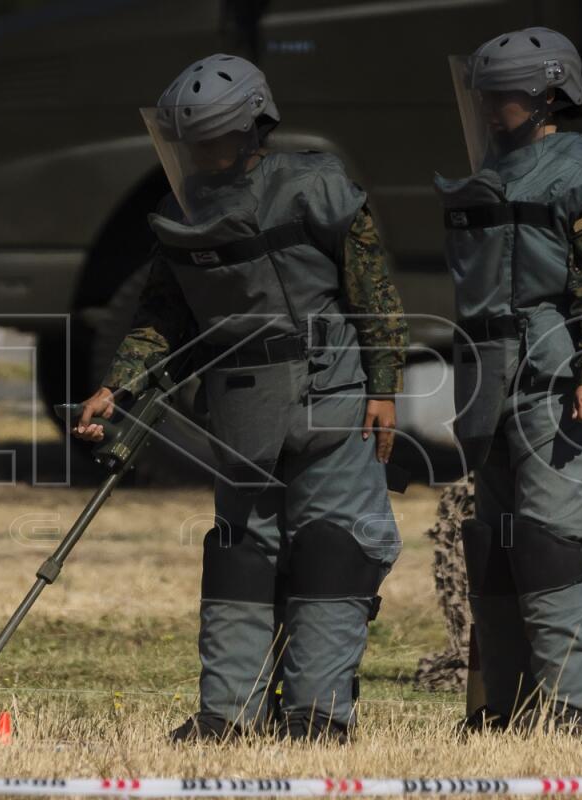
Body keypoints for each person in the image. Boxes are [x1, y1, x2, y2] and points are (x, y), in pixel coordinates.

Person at [73, 53, 409, 742]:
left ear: (251, 130)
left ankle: (317, 717)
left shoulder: (319, 187)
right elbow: (161, 316)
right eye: (186, 140)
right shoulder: (181, 213)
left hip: (332, 398)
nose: (195, 153)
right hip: (241, 411)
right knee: (239, 554)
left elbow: (373, 294)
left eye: (210, 139)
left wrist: (385, 389)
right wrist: (119, 383)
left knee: (330, 548)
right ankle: (227, 715)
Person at [434, 28, 582, 734]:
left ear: (551, 93)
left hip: (556, 384)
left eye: (509, 96)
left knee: (554, 542)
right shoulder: (487, 172)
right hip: (486, 383)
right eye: (487, 95)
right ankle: (508, 704)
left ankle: (578, 709)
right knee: (496, 545)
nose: (494, 108)